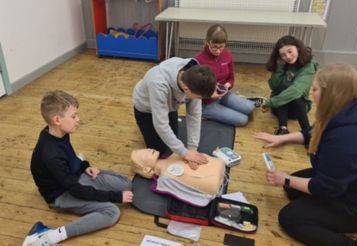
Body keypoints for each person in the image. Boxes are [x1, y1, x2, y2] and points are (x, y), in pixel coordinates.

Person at [255, 64, 357, 245]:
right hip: (356, 185)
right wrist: (282, 139)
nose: (312, 92)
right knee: (293, 189)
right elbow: (311, 133)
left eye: (315, 89)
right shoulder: (351, 110)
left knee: (290, 217)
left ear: (331, 94)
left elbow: (326, 188)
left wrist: (284, 179)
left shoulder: (346, 139)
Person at [23, 90, 134, 246]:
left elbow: (70, 157)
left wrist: (84, 166)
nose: (78, 119)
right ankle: (51, 236)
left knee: (126, 184)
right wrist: (116, 197)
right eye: (73, 116)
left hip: (74, 177)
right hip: (61, 194)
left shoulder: (59, 132)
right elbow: (76, 190)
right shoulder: (51, 154)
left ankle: (99, 181)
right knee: (112, 211)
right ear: (57, 119)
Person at [132, 57, 216, 169]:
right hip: (146, 108)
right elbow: (161, 125)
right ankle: (145, 127)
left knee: (174, 143)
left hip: (170, 105)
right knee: (160, 153)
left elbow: (194, 115)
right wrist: (184, 153)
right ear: (186, 89)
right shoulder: (158, 83)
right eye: (198, 97)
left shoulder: (194, 75)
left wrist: (192, 149)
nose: (199, 100)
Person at [188, 24, 260, 127]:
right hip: (206, 102)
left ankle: (227, 107)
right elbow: (193, 91)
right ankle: (205, 113)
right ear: (207, 42)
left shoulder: (227, 55)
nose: (218, 51)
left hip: (223, 94)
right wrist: (210, 95)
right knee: (243, 120)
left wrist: (228, 85)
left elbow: (231, 78)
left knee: (250, 108)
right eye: (214, 47)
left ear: (225, 44)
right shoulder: (198, 60)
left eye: (221, 47)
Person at [261, 35, 317, 135]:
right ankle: (283, 128)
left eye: (290, 51)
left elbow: (296, 91)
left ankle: (307, 132)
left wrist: (270, 103)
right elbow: (274, 86)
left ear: (298, 48)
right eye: (283, 55)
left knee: (294, 95)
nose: (287, 56)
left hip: (298, 109)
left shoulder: (308, 66)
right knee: (283, 92)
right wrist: (280, 67)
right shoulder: (283, 63)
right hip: (279, 109)